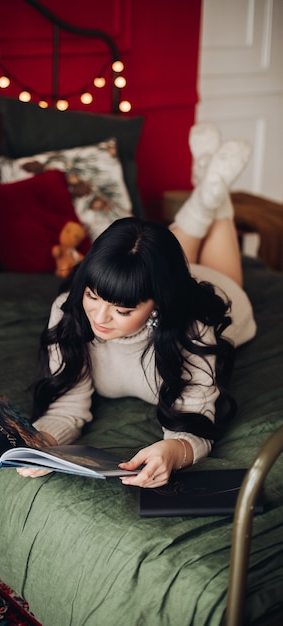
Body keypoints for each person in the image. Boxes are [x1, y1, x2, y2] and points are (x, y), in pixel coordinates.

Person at [17, 123, 257, 488]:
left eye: (123, 311)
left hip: (220, 296)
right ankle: (208, 187)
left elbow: (195, 417)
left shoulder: (195, 329)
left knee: (211, 247)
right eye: (92, 296)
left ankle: (213, 192)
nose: (99, 318)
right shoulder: (69, 309)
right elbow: (67, 406)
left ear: (157, 305)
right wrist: (39, 444)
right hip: (152, 279)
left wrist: (172, 450)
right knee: (165, 251)